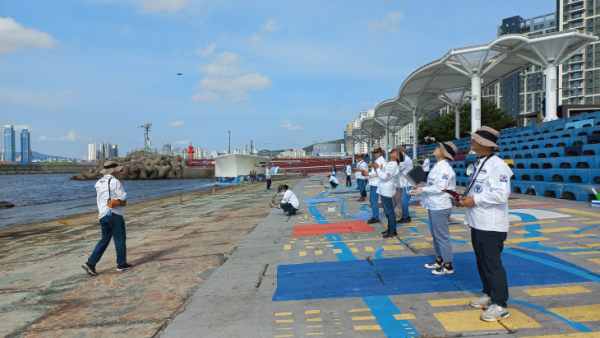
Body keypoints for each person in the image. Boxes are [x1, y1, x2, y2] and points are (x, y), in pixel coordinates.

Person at [459, 126, 513, 322]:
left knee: (492, 264)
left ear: (483, 143)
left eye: (474, 139)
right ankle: (490, 294)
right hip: (478, 221)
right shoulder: (482, 163)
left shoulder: (497, 165)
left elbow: (501, 194)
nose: (471, 142)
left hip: (491, 225)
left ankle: (500, 304)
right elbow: (480, 190)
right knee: (482, 262)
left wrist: (475, 200)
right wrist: (465, 199)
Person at [411, 142, 457, 275]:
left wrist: (422, 189)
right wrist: (421, 188)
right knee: (435, 234)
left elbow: (440, 188)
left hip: (440, 205)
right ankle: (439, 259)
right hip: (433, 204)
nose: (435, 149)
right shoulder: (437, 166)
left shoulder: (445, 169)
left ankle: (447, 265)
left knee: (442, 236)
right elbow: (433, 184)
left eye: (438, 148)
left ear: (444, 153)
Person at [82, 161, 134, 276]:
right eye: (118, 170)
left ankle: (90, 263)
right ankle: (121, 264)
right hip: (114, 213)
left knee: (104, 239)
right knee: (120, 239)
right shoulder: (114, 181)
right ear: (114, 171)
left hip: (103, 214)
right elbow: (122, 196)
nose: (119, 172)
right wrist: (122, 187)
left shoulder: (99, 182)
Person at [373, 149, 401, 238]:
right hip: (383, 189)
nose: (391, 153)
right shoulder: (389, 164)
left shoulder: (393, 166)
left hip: (387, 190)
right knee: (387, 211)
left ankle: (392, 230)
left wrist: (377, 169)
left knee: (389, 212)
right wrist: (379, 169)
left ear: (397, 157)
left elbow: (384, 177)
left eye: (394, 152)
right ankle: (390, 228)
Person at [356, 147, 387, 224]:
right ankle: (376, 215)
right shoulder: (378, 160)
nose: (376, 154)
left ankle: (375, 216)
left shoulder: (381, 161)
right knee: (373, 200)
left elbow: (378, 173)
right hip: (374, 182)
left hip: (376, 182)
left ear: (380, 153)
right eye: (375, 153)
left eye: (377, 152)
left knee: (374, 200)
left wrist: (368, 174)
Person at [393, 147, 414, 224]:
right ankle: (406, 216)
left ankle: (406, 217)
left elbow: (397, 170)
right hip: (404, 183)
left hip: (407, 183)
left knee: (403, 200)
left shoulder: (405, 160)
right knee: (403, 200)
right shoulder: (403, 159)